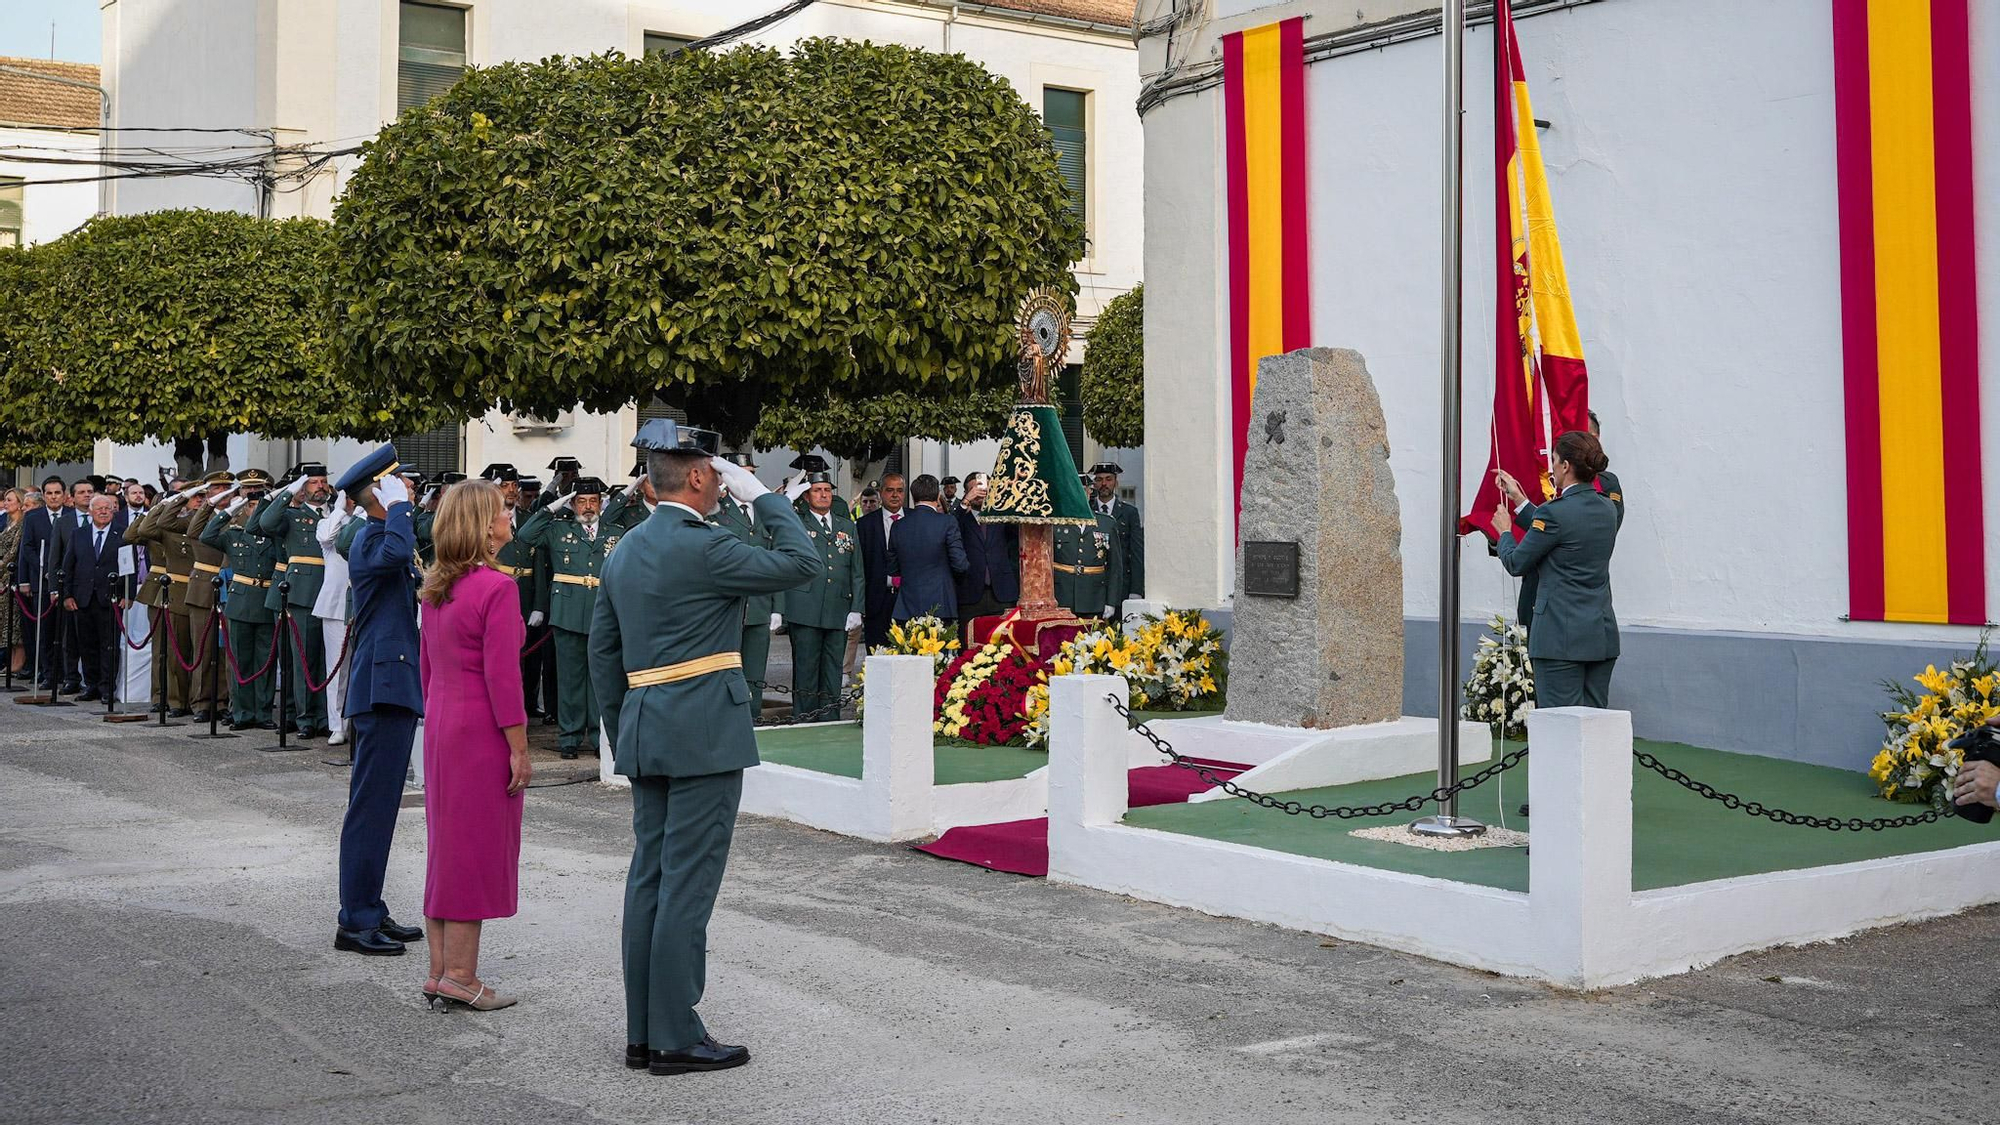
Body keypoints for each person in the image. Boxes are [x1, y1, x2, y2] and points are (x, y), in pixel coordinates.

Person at [588, 419, 818, 1075]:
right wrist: (764, 496)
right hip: (704, 735)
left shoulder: (625, 550)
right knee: (686, 884)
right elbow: (801, 563)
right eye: (718, 471)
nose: (722, 481)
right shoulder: (707, 547)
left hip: (645, 728)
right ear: (695, 476)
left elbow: (606, 658)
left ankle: (643, 1032)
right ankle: (675, 1035)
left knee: (650, 878)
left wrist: (625, 729)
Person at [417, 479, 531, 1012]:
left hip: (443, 724)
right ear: (485, 527)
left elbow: (428, 669)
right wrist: (520, 746)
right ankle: (461, 975)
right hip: (481, 731)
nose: (510, 515)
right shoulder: (496, 588)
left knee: (447, 847)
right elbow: (503, 678)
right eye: (503, 510)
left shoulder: (438, 585)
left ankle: (442, 971)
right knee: (476, 849)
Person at [331, 446, 426, 957]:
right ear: (379, 493)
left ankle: (369, 906)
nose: (409, 490)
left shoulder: (383, 535)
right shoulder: (370, 538)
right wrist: (399, 510)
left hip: (393, 685)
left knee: (381, 807)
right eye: (399, 485)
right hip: (381, 688)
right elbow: (394, 553)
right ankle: (355, 919)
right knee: (369, 808)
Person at [1494, 429, 1621, 709]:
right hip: (1600, 634)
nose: (1552, 467)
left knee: (1559, 728)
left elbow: (1516, 562)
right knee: (1594, 727)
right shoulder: (1607, 508)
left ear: (1566, 466)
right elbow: (1560, 530)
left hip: (1559, 640)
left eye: (1554, 461)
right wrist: (1518, 499)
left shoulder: (1556, 512)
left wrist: (1504, 533)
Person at [518, 476, 620, 759]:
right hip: (568, 613)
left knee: (601, 680)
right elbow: (526, 535)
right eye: (582, 501)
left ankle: (601, 737)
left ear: (601, 504)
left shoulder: (615, 532)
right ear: (573, 504)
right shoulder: (557, 530)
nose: (588, 507)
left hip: (604, 613)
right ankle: (570, 738)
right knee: (570, 680)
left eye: (593, 501)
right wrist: (550, 509)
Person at [1507, 410, 1624, 637]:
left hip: (1566, 610)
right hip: (1542, 590)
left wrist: (1505, 531)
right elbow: (1559, 523)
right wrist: (1520, 501)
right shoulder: (1595, 503)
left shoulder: (1607, 489)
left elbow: (1565, 526)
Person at [255, 464, 334, 739]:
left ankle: (326, 716)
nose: (320, 486)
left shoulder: (336, 514)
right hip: (303, 593)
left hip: (332, 590)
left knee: (328, 660)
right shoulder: (292, 514)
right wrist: (288, 492)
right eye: (313, 482)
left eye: (323, 481)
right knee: (304, 659)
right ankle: (306, 718)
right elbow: (264, 523)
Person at [780, 472, 864, 724]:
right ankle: (804, 720)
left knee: (832, 669)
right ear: (806, 496)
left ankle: (831, 719)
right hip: (805, 607)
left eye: (827, 490)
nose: (823, 494)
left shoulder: (846, 525)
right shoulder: (797, 522)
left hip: (838, 607)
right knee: (806, 669)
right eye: (817, 490)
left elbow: (856, 570)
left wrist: (857, 607)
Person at [201, 470, 280, 730]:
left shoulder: (274, 535)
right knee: (240, 662)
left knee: (265, 662)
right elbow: (206, 536)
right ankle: (243, 713)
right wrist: (229, 508)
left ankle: (263, 713)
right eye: (252, 506)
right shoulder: (234, 535)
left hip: (267, 600)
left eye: (260, 506)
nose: (255, 511)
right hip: (241, 601)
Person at [710, 452, 778, 711]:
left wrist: (777, 606)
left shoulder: (763, 511)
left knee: (755, 669)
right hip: (727, 606)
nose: (748, 479)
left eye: (751, 473)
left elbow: (775, 556)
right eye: (743, 473)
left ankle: (754, 716)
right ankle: (728, 717)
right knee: (726, 668)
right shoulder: (717, 511)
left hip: (759, 605)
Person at [62, 494, 125, 703]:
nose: (103, 512)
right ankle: (91, 686)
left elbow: (129, 567)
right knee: (86, 645)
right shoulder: (78, 534)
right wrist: (67, 594)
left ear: (113, 511)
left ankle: (107, 688)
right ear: (90, 512)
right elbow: (68, 565)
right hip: (83, 598)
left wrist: (128, 594)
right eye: (99, 508)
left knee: (109, 645)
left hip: (111, 599)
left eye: (107, 508)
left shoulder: (122, 534)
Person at [888, 474, 968, 623]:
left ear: (912, 496)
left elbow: (892, 568)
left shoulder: (898, 525)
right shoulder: (947, 522)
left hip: (907, 604)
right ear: (938, 496)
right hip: (941, 602)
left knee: (907, 646)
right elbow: (960, 564)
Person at [313, 493, 358, 748]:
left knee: (357, 667)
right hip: (335, 605)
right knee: (336, 670)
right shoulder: (327, 523)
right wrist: (339, 508)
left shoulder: (362, 521)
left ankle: (354, 722)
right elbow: (326, 537)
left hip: (361, 603)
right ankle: (337, 725)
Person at [952, 473, 1019, 637]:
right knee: (968, 645)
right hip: (970, 594)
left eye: (984, 489)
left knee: (1005, 646)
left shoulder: (1001, 517)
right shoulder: (961, 519)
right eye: (974, 489)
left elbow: (1019, 527)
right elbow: (948, 526)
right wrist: (965, 502)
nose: (980, 493)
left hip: (1002, 593)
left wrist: (1006, 494)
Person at [1051, 496, 1126, 621]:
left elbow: (1115, 567)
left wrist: (1111, 601)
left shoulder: (1106, 523)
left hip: (1094, 597)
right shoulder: (1056, 520)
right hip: (1062, 595)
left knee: (1091, 638)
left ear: (1089, 491)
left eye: (1083, 489)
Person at [856, 472, 906, 648]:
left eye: (899, 490)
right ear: (881, 493)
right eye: (890, 490)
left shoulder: (914, 519)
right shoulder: (864, 525)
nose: (895, 495)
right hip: (876, 600)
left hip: (908, 599)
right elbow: (859, 566)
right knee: (877, 655)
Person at [1088, 462, 1144, 607]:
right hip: (1093, 586)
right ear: (1094, 484)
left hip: (1122, 585)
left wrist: (1136, 590)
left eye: (1108, 479)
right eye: (1099, 480)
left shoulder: (1129, 513)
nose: (1104, 484)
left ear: (1116, 482)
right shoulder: (1086, 511)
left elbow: (1137, 552)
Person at [0, 489, 27, 672]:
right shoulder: (9, 523)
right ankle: (10, 659)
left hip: (10, 576)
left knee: (15, 621)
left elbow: (14, 551)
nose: (6, 502)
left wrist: (1, 565)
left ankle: (19, 660)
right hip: (2, 577)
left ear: (19, 503)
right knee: (5, 621)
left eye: (10, 500)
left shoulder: (22, 524)